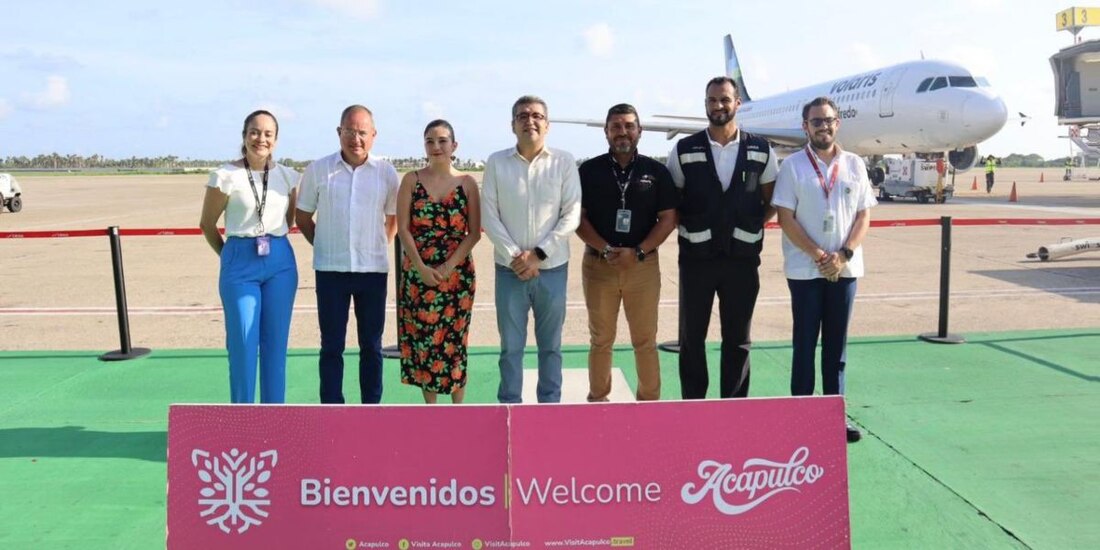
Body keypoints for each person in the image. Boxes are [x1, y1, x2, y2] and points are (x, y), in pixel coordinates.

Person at [772, 96, 877, 443]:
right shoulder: (793, 167)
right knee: (805, 345)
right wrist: (819, 255)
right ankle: (800, 416)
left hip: (845, 270)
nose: (823, 126)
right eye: (816, 121)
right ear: (805, 127)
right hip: (806, 270)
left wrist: (843, 254)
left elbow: (864, 214)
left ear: (837, 123)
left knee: (837, 348)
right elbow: (785, 217)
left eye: (828, 120)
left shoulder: (855, 165)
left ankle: (835, 416)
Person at [667, 76, 778, 400]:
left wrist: (749, 227)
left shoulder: (760, 149)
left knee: (738, 339)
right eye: (712, 100)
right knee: (691, 338)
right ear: (705, 105)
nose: (719, 106)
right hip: (696, 261)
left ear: (737, 103)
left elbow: (771, 200)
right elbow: (673, 203)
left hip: (741, 261)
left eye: (725, 100)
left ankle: (734, 407)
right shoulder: (685, 149)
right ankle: (694, 405)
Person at [481, 95, 582, 403]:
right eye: (522, 116)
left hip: (552, 270)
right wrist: (516, 256)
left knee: (550, 347)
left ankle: (549, 407)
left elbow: (571, 214)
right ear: (513, 125)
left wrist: (538, 254)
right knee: (511, 347)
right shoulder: (497, 162)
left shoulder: (564, 162)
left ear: (547, 124)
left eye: (537, 115)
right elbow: (489, 214)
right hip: (509, 271)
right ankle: (510, 405)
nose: (530, 120)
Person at [296, 105, 399, 404]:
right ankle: (332, 409)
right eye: (349, 131)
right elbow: (303, 217)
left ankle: (371, 409)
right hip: (331, 272)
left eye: (362, 132)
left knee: (371, 345)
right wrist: (326, 244)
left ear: (373, 136)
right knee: (331, 346)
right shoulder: (319, 170)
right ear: (339, 132)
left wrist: (377, 245)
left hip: (372, 272)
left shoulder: (386, 172)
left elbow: (391, 219)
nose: (356, 138)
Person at [576, 104, 678, 402]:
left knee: (645, 340)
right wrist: (605, 248)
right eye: (616, 126)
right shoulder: (589, 171)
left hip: (642, 267)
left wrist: (640, 252)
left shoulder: (655, 172)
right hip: (599, 265)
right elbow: (577, 219)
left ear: (639, 131)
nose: (623, 132)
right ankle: (598, 399)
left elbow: (669, 218)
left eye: (629, 126)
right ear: (606, 132)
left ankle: (648, 403)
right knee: (601, 340)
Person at [199, 109, 299, 403]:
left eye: (268, 134)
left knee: (275, 345)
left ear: (276, 140)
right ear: (244, 136)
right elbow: (207, 224)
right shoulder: (225, 176)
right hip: (239, 261)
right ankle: (243, 418)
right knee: (243, 342)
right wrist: (229, 256)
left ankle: (273, 416)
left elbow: (288, 221)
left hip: (280, 262)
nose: (261, 139)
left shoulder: (287, 177)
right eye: (255, 132)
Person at [396, 120, 481, 404]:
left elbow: (473, 233)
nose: (436, 147)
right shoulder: (411, 180)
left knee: (455, 342)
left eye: (442, 141)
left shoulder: (467, 183)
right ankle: (431, 409)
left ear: (454, 146)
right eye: (430, 141)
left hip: (456, 276)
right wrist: (420, 266)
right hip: (419, 274)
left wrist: (447, 267)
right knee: (424, 341)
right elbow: (403, 229)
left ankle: (458, 409)